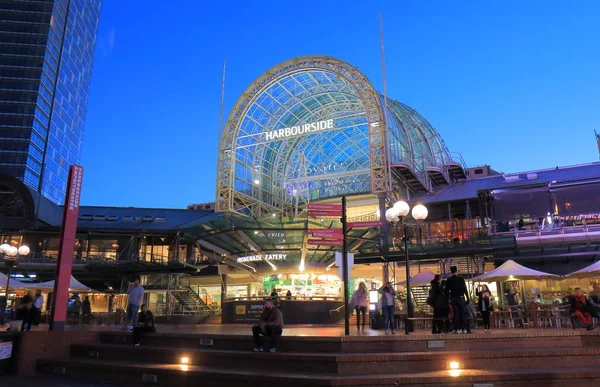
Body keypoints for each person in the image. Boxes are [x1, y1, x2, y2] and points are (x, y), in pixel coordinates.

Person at [446, 266, 470, 334]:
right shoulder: (461, 279)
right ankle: (464, 328)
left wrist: (448, 298)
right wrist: (467, 298)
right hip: (461, 297)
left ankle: (457, 329)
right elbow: (465, 289)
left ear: (451, 272)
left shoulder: (449, 280)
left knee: (455, 314)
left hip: (453, 298)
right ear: (457, 271)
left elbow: (447, 290)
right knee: (462, 313)